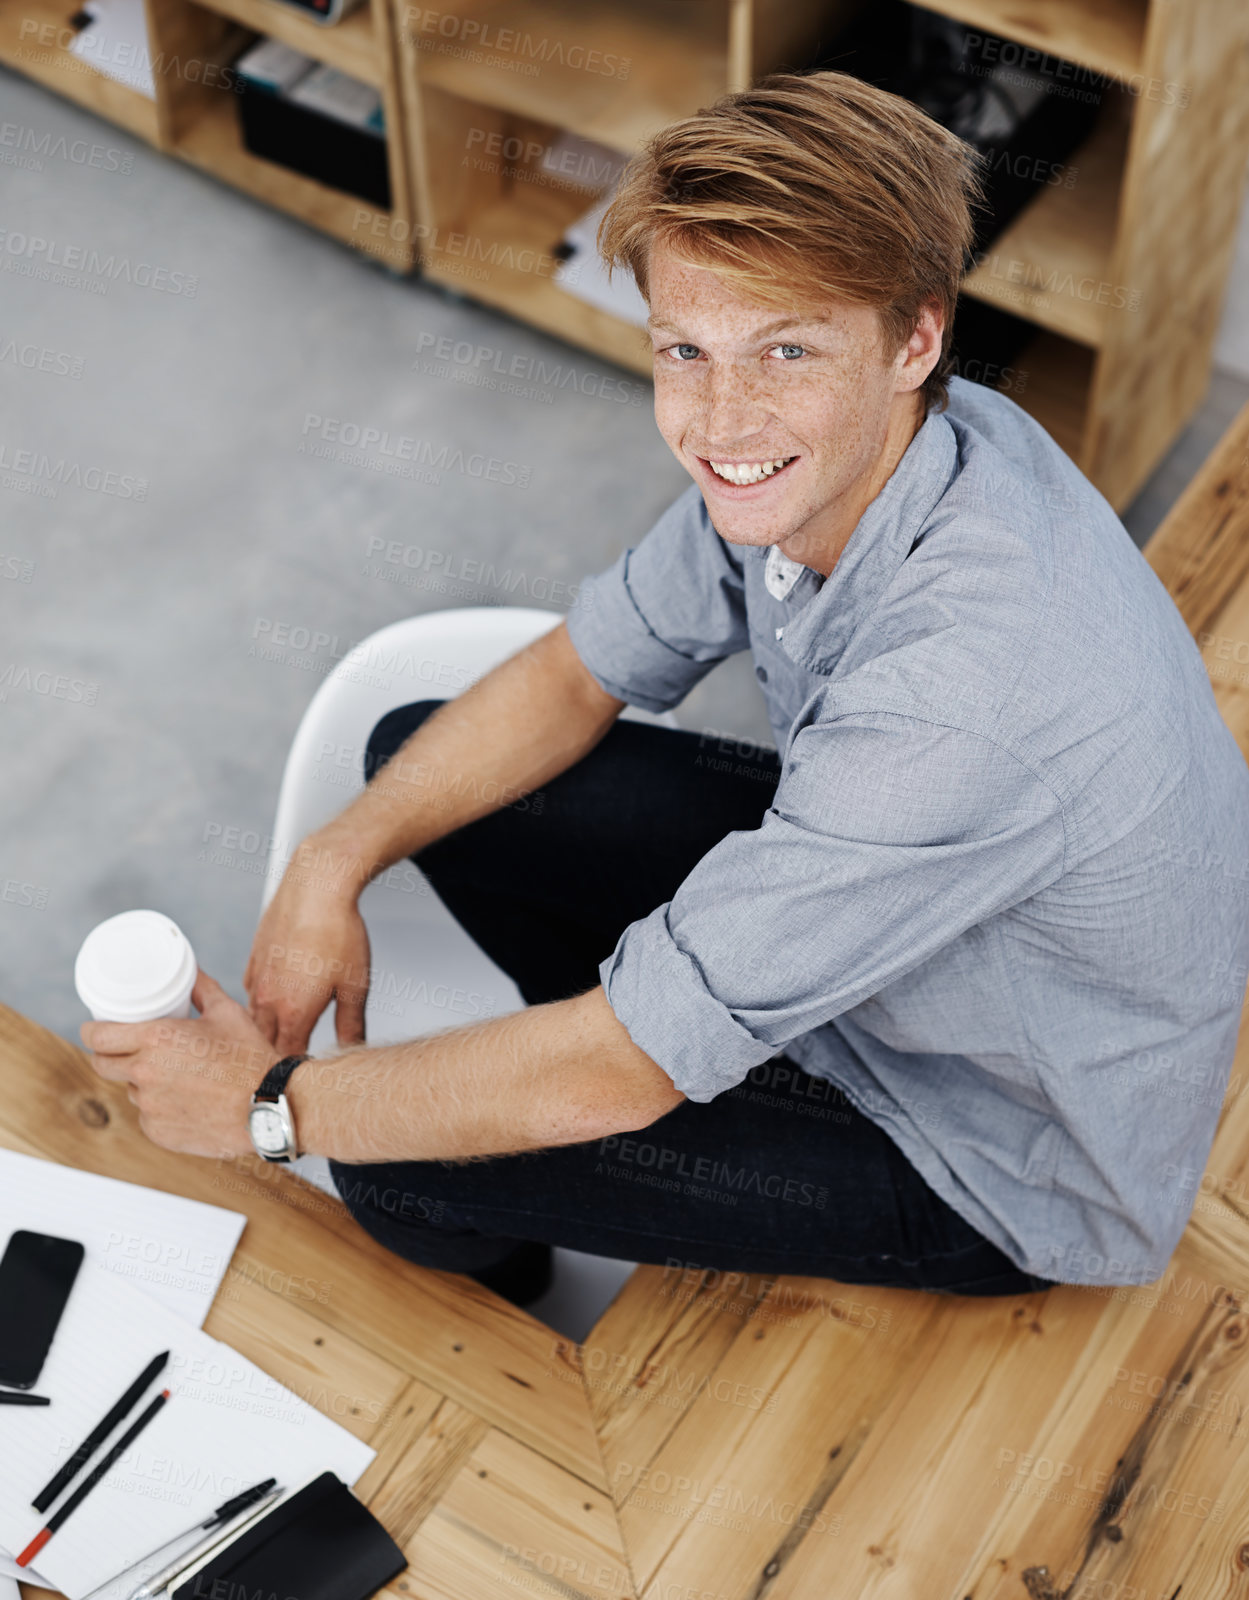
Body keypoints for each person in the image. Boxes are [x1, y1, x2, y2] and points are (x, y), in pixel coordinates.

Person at [84, 70, 1249, 1308]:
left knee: (403, 1171)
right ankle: (618, 1054)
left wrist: (265, 1108)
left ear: (917, 336)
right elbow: (581, 667)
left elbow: (621, 1072)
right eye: (685, 349)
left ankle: (547, 1232)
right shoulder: (860, 453)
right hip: (908, 941)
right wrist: (331, 861)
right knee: (413, 760)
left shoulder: (963, 700)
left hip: (995, 1137)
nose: (720, 418)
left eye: (787, 349)